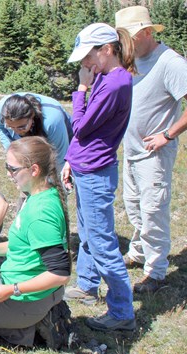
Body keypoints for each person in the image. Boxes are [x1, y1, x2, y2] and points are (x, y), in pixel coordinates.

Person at [0, 137, 71, 349]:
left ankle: (30, 329)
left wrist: (11, 289)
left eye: (13, 168)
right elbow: (23, 244)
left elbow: (60, 274)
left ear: (34, 169)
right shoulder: (37, 195)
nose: (8, 174)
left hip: (29, 297)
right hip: (21, 287)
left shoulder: (40, 215)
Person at [62, 23, 136, 331]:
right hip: (84, 167)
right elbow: (85, 136)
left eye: (88, 57)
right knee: (89, 234)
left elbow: (80, 126)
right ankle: (88, 286)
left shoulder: (115, 83)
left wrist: (80, 89)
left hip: (95, 172)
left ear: (107, 50)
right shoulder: (106, 78)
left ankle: (122, 313)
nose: (84, 66)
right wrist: (69, 159)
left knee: (103, 243)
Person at [115, 6, 187, 293]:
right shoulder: (133, 59)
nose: (125, 45)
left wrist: (167, 135)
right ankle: (138, 252)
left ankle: (155, 272)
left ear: (146, 32)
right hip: (131, 149)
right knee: (133, 204)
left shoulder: (171, 63)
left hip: (154, 153)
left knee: (153, 209)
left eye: (129, 37)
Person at [0, 93, 73, 171]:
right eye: (10, 127)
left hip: (64, 130)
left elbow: (61, 157)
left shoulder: (51, 121)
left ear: (32, 116)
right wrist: (13, 152)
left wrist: (60, 179)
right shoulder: (0, 111)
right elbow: (1, 128)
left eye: (21, 127)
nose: (16, 131)